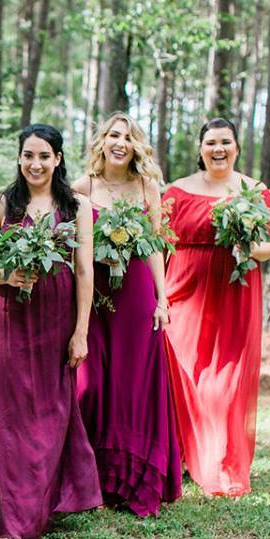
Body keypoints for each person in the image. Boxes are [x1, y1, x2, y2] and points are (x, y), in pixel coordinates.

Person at [0, 123, 102, 539]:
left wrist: (81, 331)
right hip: (12, 317)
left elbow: (84, 269)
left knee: (53, 411)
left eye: (44, 156)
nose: (35, 163)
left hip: (58, 316)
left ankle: (43, 501)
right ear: (19, 158)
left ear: (58, 159)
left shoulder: (77, 207)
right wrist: (7, 275)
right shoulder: (0, 206)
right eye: (28, 155)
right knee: (11, 416)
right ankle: (14, 518)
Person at [163, 117, 270, 497]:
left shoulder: (254, 190)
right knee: (183, 372)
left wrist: (246, 248)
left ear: (237, 147)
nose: (218, 149)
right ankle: (180, 456)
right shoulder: (177, 192)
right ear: (200, 149)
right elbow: (157, 243)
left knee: (227, 382)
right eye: (211, 142)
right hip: (183, 293)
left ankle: (223, 463)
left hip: (235, 294)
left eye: (225, 142)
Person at [71, 112, 181, 516]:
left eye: (128, 137)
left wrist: (162, 299)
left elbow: (154, 244)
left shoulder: (146, 187)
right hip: (96, 299)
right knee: (92, 384)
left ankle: (133, 480)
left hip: (134, 296)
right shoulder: (82, 188)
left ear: (136, 146)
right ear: (101, 141)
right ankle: (92, 480)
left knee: (132, 384)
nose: (120, 142)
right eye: (113, 135)